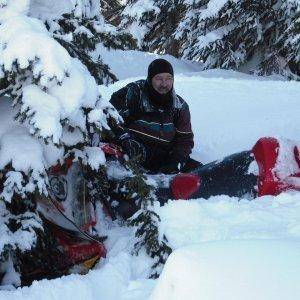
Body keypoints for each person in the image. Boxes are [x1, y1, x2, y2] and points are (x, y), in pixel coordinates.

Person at [110, 58, 200, 174]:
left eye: (169, 79)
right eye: (159, 79)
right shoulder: (134, 94)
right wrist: (125, 139)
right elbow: (110, 117)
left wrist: (176, 161)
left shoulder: (179, 106)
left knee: (196, 171)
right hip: (130, 154)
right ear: (150, 79)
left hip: (162, 158)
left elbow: (184, 140)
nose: (164, 84)